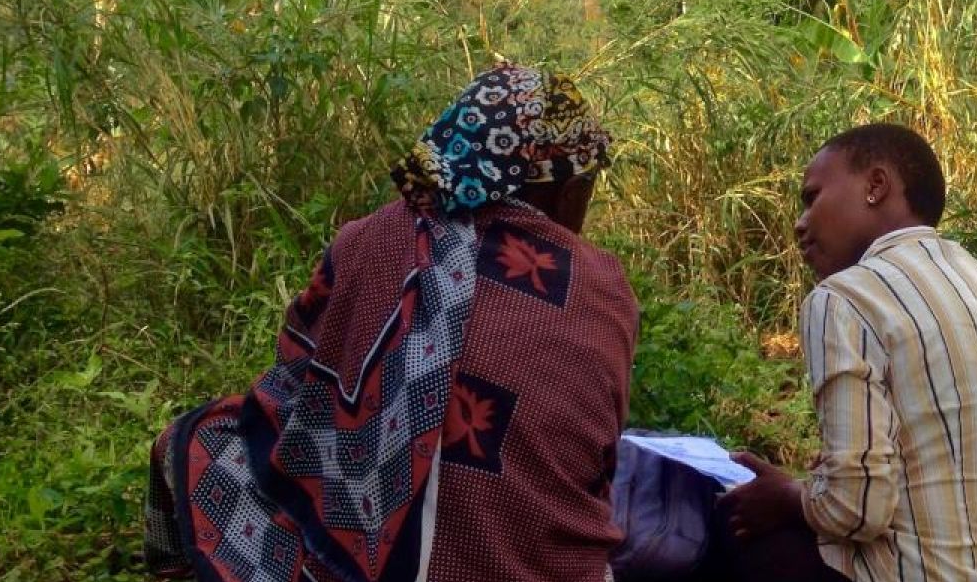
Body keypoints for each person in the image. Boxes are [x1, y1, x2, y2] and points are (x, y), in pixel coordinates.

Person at [144, 63, 639, 582]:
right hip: (553, 568)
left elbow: (293, 383)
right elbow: (598, 463)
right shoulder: (603, 286)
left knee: (193, 441)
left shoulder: (370, 238)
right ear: (565, 188)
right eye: (589, 185)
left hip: (369, 554)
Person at [720, 123, 977, 582]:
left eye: (812, 197)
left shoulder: (844, 299)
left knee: (735, 534)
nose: (800, 223)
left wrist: (787, 496)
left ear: (875, 186)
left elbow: (855, 508)